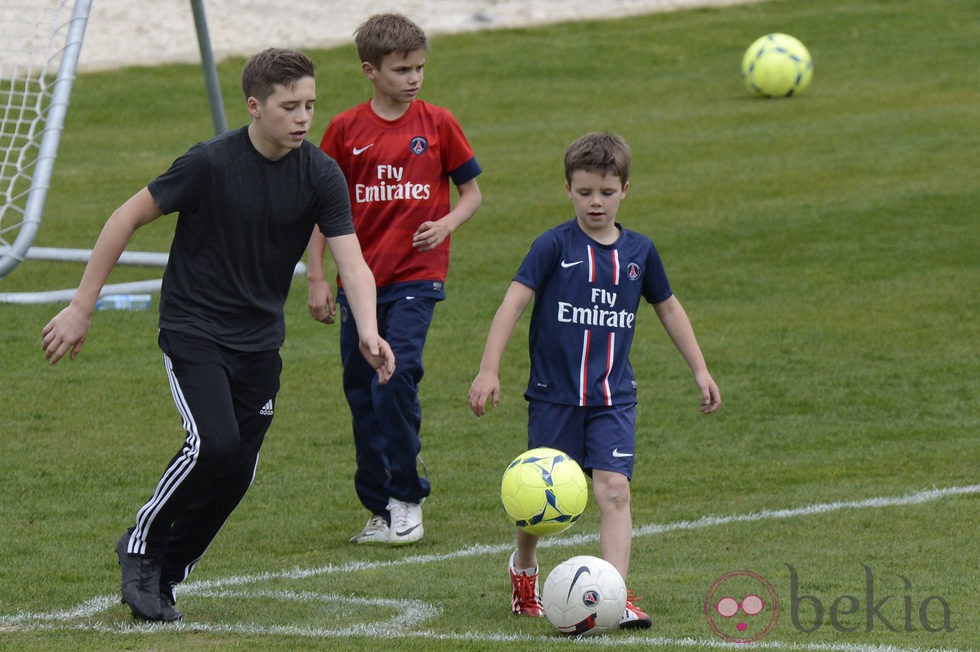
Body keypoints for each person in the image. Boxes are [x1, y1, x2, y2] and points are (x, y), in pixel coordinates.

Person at [40, 48, 395, 622]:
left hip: (259, 341)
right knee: (213, 444)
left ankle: (168, 571)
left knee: (237, 470)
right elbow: (124, 217)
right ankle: (140, 546)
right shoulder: (209, 163)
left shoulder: (321, 173)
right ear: (255, 107)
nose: (303, 117)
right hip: (194, 329)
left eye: (309, 104)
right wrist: (83, 305)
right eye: (289, 106)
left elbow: (353, 264)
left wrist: (369, 330)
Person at [467, 132, 721, 629]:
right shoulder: (553, 246)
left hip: (612, 398)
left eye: (606, 192)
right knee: (539, 504)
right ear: (568, 190)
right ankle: (524, 568)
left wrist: (700, 369)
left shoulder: (640, 253)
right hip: (554, 398)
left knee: (614, 492)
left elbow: (668, 308)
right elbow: (513, 303)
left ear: (625, 189)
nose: (595, 202)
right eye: (584, 192)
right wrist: (489, 367)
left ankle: (614, 595)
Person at [307, 13, 482, 546]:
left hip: (416, 279)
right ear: (370, 70)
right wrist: (317, 276)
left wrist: (446, 223)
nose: (414, 79)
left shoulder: (438, 124)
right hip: (359, 284)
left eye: (420, 68)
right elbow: (320, 211)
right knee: (361, 392)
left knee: (395, 377)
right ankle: (380, 507)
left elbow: (472, 192)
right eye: (402, 69)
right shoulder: (343, 130)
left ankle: (408, 496)